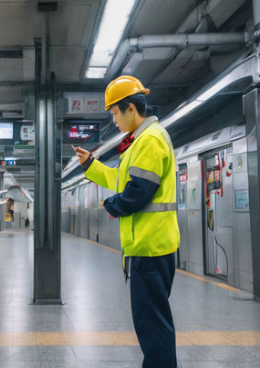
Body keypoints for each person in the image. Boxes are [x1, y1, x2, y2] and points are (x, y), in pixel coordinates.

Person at [74, 75, 180, 368]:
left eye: (115, 113)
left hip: (151, 247)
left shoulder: (150, 140)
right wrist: (90, 166)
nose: (114, 120)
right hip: (148, 247)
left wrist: (112, 205)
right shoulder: (139, 143)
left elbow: (136, 194)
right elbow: (121, 180)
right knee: (154, 322)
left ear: (131, 109)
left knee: (152, 325)